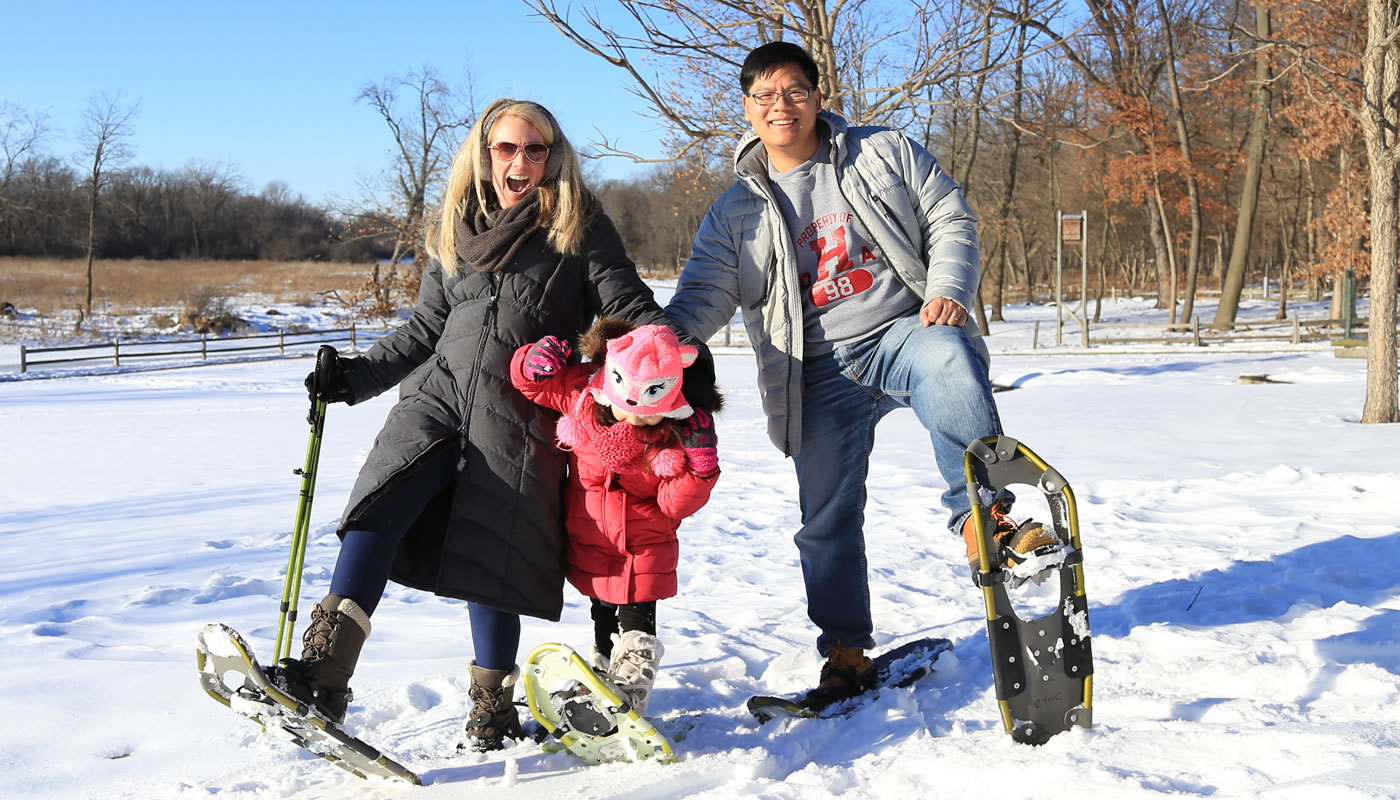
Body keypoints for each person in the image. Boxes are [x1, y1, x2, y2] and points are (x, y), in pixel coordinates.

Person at [267, 97, 710, 752]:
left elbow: (628, 305)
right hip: (436, 400)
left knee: (491, 561)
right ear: (484, 153)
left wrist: (673, 367)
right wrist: (355, 378)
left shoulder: (578, 229)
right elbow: (424, 331)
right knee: (375, 510)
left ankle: (492, 710)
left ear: (553, 157)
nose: (521, 162)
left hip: (521, 418)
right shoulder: (455, 229)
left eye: (535, 150)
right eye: (507, 148)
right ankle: (322, 679)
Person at [663, 42, 1054, 704]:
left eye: (794, 91)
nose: (780, 106)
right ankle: (845, 649)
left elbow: (949, 216)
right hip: (813, 371)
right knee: (826, 518)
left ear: (818, 97)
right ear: (747, 110)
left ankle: (983, 521)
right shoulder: (735, 213)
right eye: (765, 96)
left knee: (951, 358)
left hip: (902, 331)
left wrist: (949, 288)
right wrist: (652, 348)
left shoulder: (884, 152)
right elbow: (700, 297)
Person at [509, 318, 722, 717]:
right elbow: (533, 384)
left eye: (651, 412)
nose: (638, 420)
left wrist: (700, 469)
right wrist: (530, 362)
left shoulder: (673, 435)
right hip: (590, 538)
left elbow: (675, 505)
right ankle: (604, 678)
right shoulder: (584, 399)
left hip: (645, 545)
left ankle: (631, 694)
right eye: (631, 408)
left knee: (637, 629)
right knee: (602, 614)